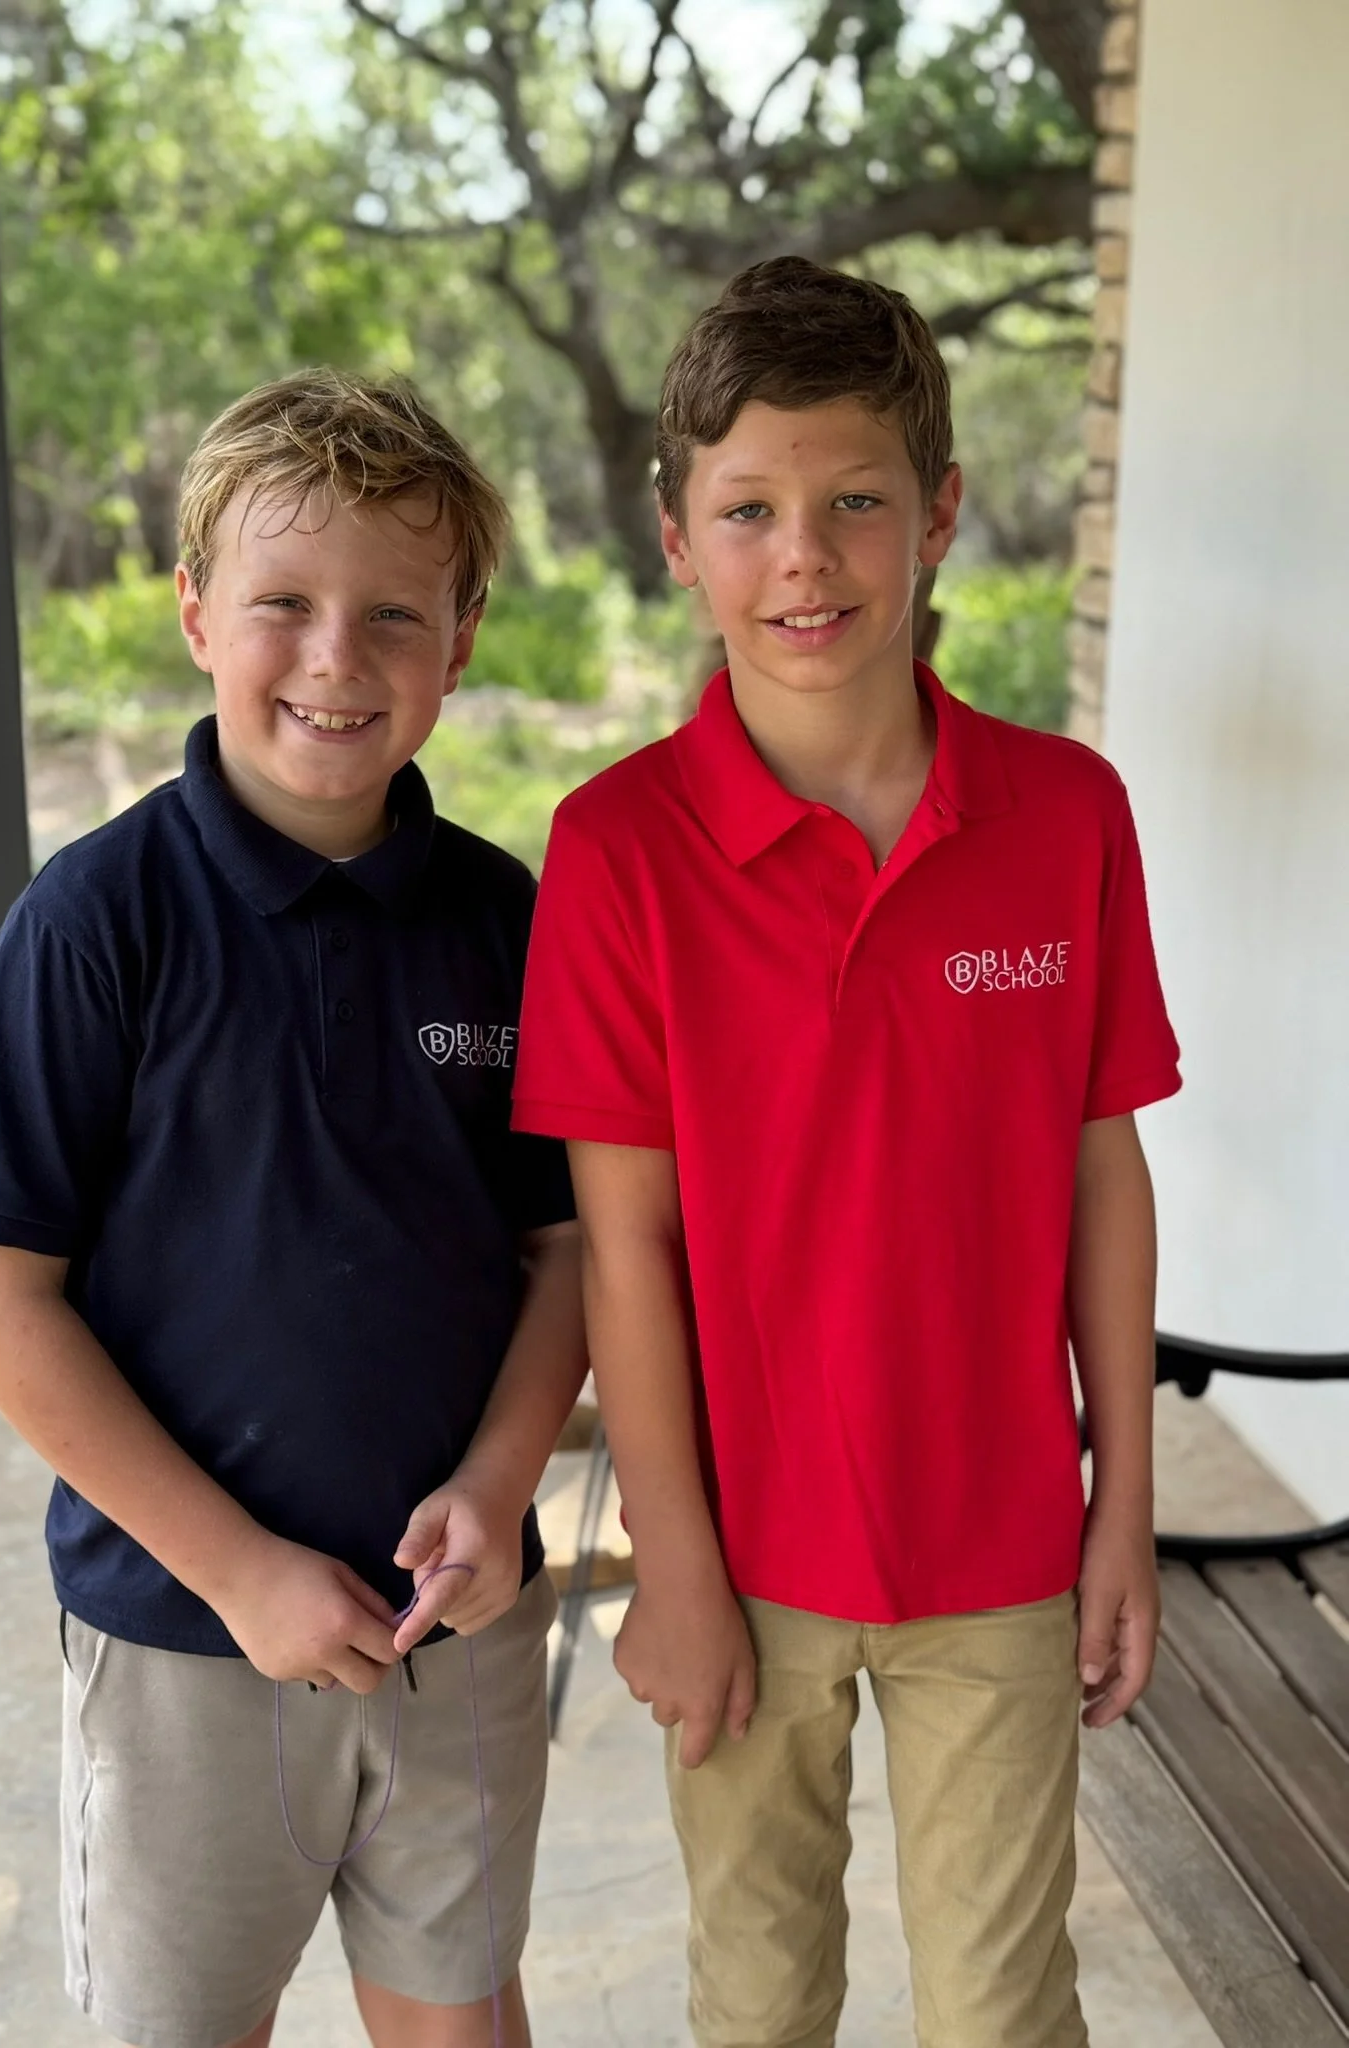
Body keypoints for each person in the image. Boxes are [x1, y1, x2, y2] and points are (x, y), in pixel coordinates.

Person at [512, 257, 1181, 2048]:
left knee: (1001, 2006)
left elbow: (1102, 1172)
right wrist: (672, 1559)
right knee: (758, 1995)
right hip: (747, 1554)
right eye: (750, 510)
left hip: (1003, 1541)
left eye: (856, 500)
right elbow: (621, 1246)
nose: (804, 555)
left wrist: (1125, 1499)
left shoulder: (1068, 815)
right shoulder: (617, 849)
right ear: (678, 537)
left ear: (941, 513)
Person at [0, 369, 587, 2048]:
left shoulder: (507, 923)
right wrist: (235, 1573)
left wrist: (503, 1489)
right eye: (282, 605)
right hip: (180, 1644)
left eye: (392, 614)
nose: (334, 659)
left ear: (462, 638)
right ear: (194, 617)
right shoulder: (92, 925)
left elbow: (561, 1252)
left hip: (453, 1618)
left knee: (463, 2019)